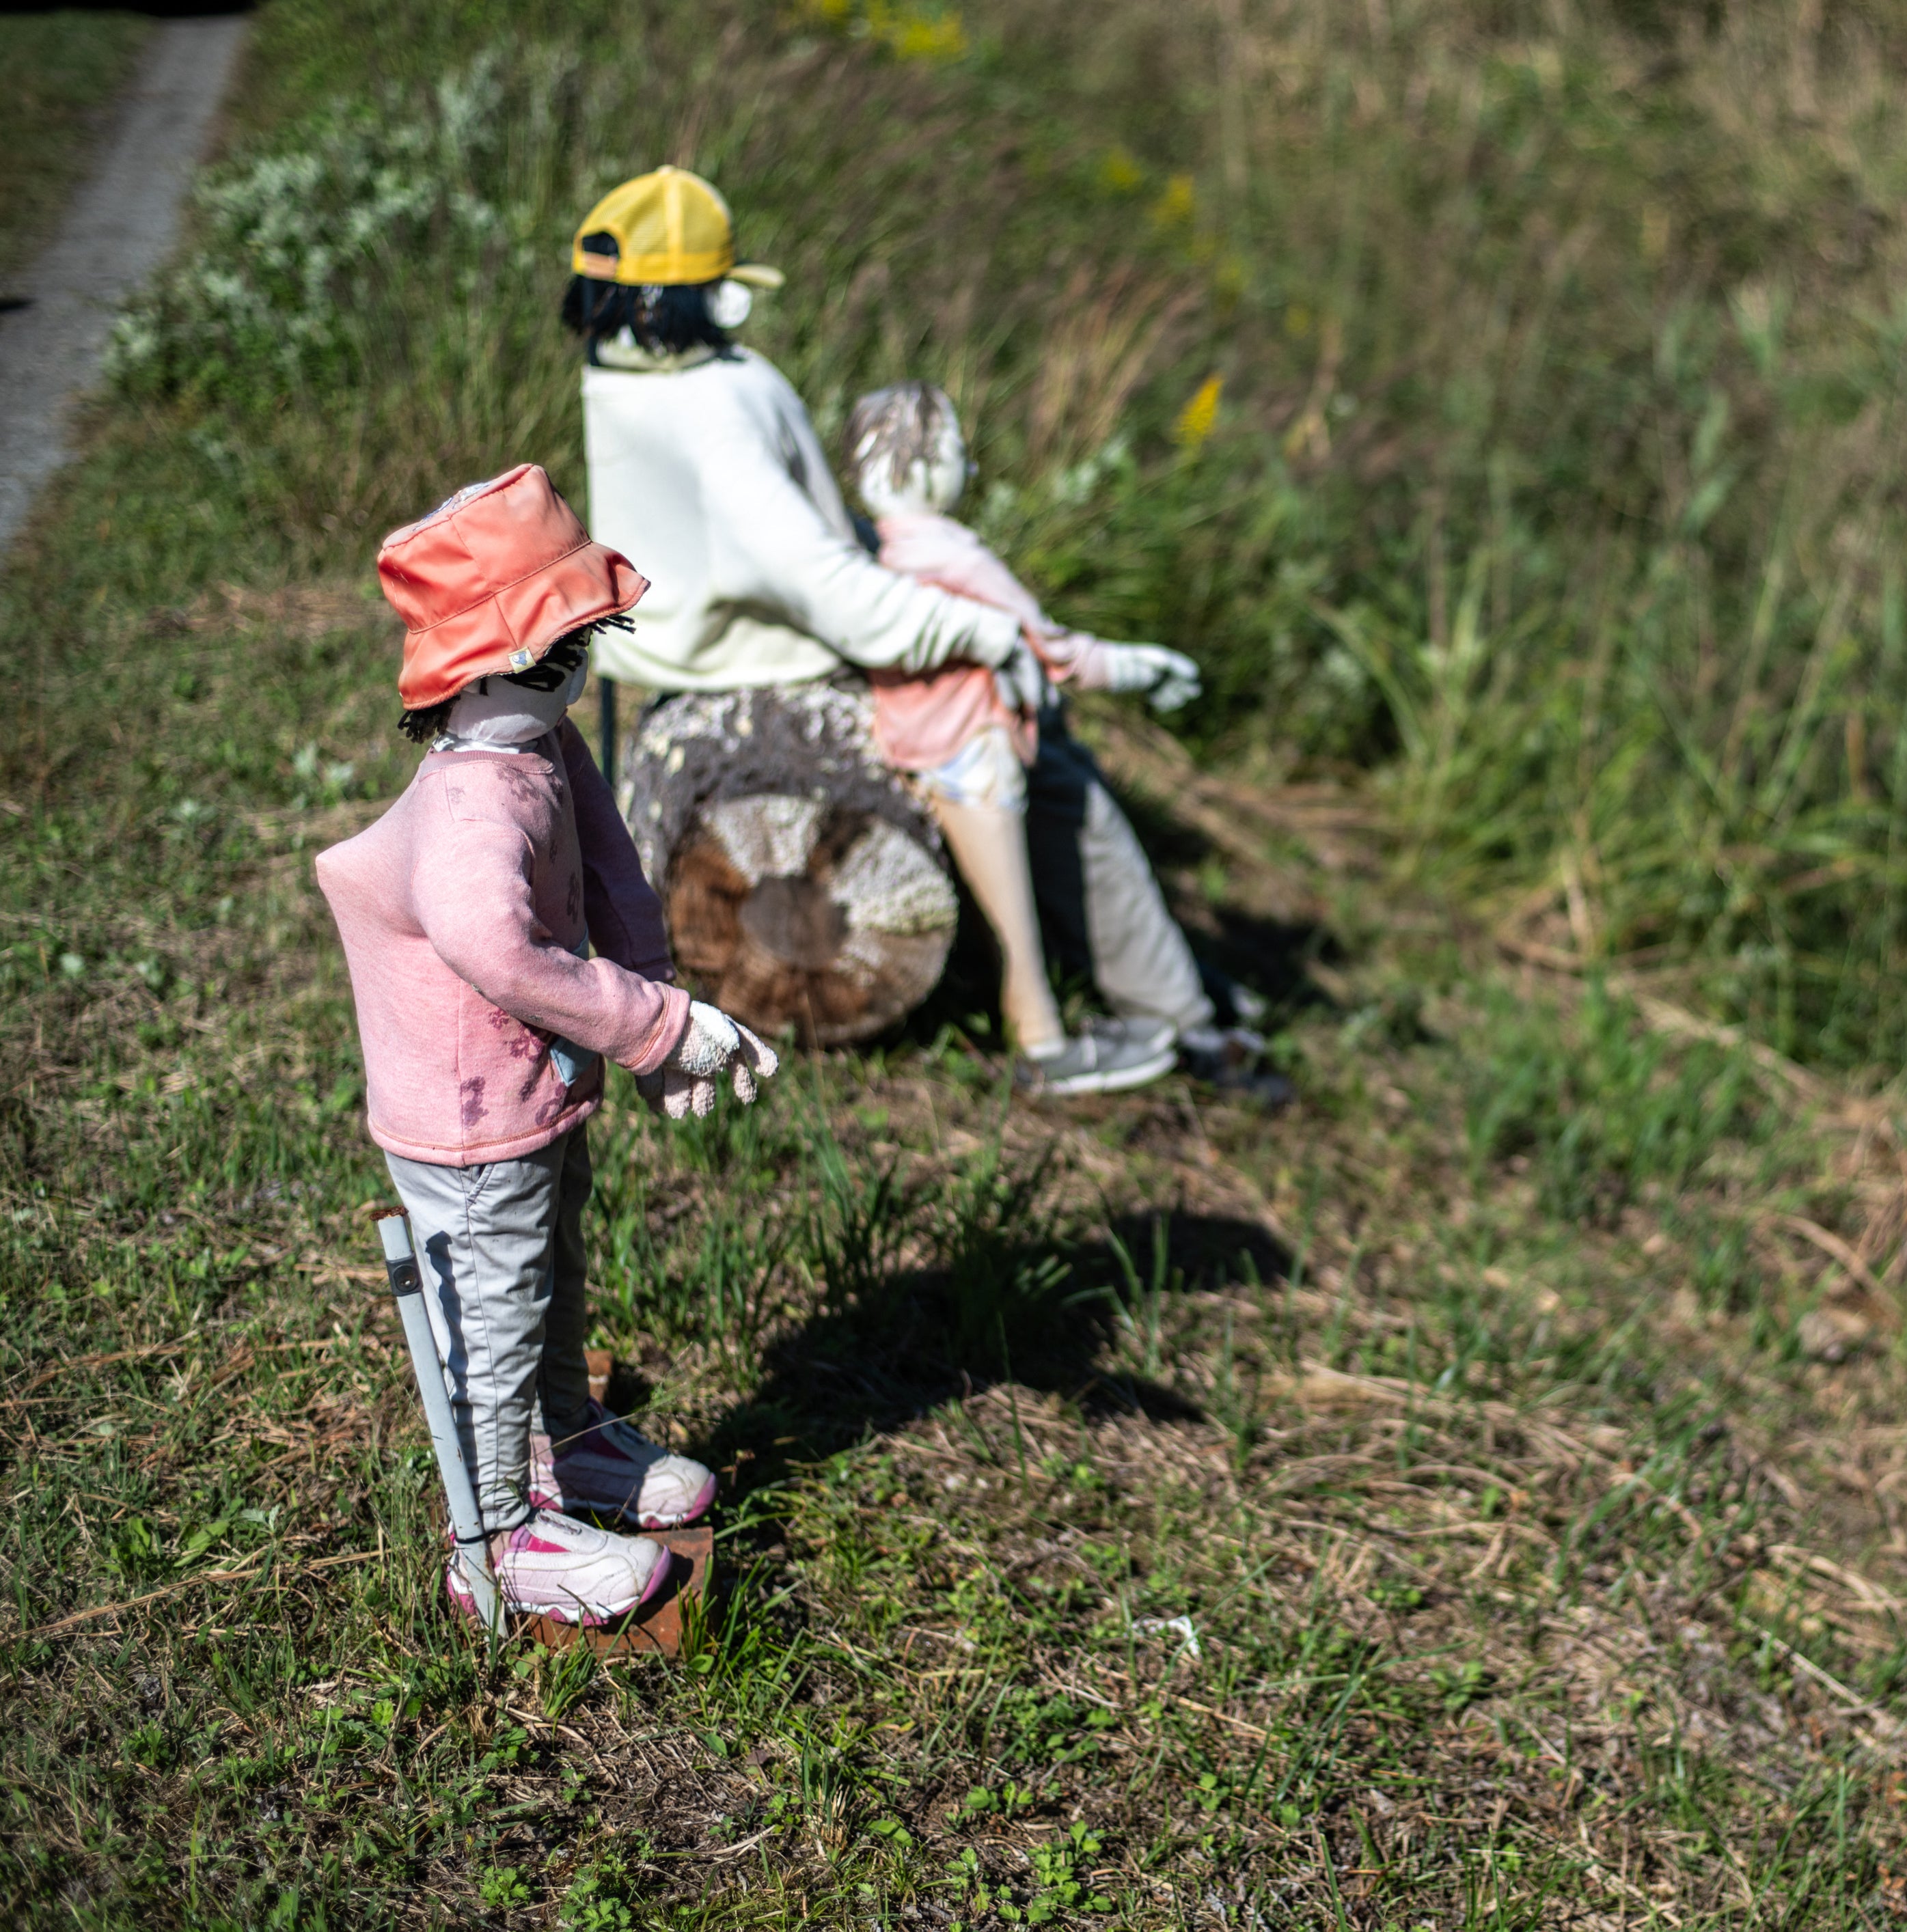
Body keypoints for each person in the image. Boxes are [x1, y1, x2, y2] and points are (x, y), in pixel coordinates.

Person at [562, 167, 1178, 1094]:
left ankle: (1153, 1003)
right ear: (699, 297)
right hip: (762, 661)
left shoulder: (614, 375)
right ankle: (1132, 1019)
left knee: (1047, 767)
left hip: (680, 654)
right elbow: (828, 590)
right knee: (1052, 775)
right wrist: (980, 630)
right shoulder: (718, 401)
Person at [317, 465, 780, 1625]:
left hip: (536, 1093)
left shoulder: (541, 745)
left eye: (582, 644)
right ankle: (497, 1534)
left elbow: (612, 868)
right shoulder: (479, 802)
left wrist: (657, 1015)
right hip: (471, 1117)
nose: (575, 673)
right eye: (554, 651)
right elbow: (501, 951)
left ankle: (564, 1442)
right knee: (492, 1302)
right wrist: (662, 1026)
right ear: (480, 665)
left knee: (550, 1274)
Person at [844, 381, 1259, 1086]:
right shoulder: (957, 555)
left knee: (1004, 914)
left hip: (908, 740)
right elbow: (1053, 649)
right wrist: (1136, 666)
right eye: (960, 451)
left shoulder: (868, 554)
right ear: (930, 461)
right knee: (1017, 928)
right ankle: (1044, 1042)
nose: (971, 468)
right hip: (976, 753)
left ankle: (1071, 1019)